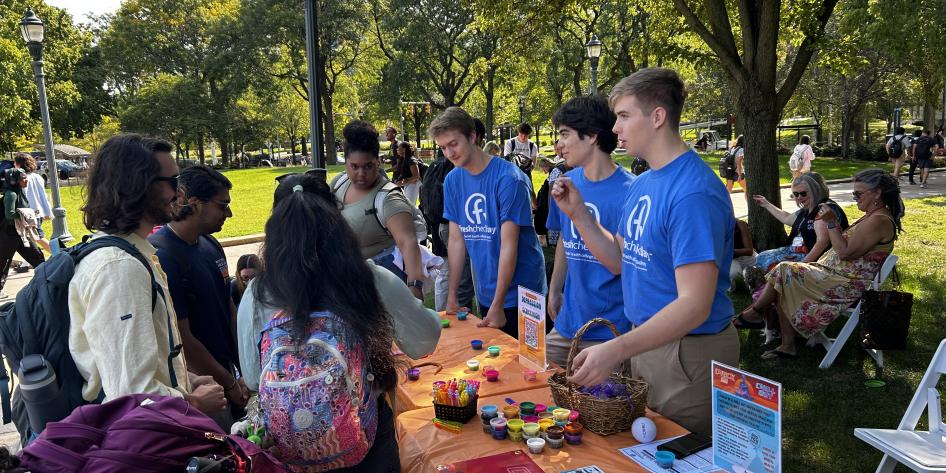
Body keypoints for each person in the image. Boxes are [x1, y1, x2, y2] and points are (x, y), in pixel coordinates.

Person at [551, 68, 738, 437]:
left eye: (623, 116)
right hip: (647, 342)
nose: (615, 128)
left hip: (687, 352)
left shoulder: (693, 192)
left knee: (677, 453)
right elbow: (619, 260)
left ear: (657, 116)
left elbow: (694, 304)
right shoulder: (646, 183)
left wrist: (616, 349)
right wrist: (579, 215)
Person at [237, 174, 439, 471]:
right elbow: (425, 340)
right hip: (365, 436)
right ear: (337, 220)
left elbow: (254, 378)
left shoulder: (258, 292)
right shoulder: (367, 278)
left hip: (290, 444)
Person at [69, 134, 227, 414]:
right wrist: (194, 403)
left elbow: (140, 365)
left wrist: (185, 380)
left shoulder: (136, 254)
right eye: (172, 182)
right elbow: (130, 391)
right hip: (145, 440)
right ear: (138, 185)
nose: (179, 193)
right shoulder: (119, 269)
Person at [735, 169, 902, 360]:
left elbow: (845, 252)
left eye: (858, 193)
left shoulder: (879, 220)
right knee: (783, 274)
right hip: (833, 275)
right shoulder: (873, 216)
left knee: (784, 272)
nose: (854, 198)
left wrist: (832, 223)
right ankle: (781, 339)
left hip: (844, 284)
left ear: (877, 193)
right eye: (853, 193)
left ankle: (759, 315)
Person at [432, 106, 547, 338]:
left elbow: (509, 245)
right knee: (495, 365)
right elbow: (456, 240)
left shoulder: (509, 179)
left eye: (453, 144)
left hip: (525, 293)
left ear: (472, 136)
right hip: (487, 291)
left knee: (531, 366)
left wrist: (499, 303)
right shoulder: (453, 179)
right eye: (443, 147)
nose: (449, 153)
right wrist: (452, 295)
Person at [149, 166, 246, 427]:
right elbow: (183, 339)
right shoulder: (163, 256)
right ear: (194, 204)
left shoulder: (210, 244)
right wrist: (227, 382)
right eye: (222, 205)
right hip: (200, 388)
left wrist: (243, 368)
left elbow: (229, 308)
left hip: (229, 375)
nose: (229, 213)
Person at [544, 96, 633, 368]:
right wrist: (555, 289)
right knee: (534, 388)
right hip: (566, 324)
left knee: (599, 408)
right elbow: (566, 241)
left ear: (592, 136)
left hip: (610, 331)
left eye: (565, 134)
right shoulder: (566, 183)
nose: (559, 145)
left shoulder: (631, 191)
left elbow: (620, 263)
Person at [331, 120, 426, 299]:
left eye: (368, 166)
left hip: (382, 288)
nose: (361, 173)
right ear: (346, 163)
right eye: (354, 166)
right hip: (345, 281)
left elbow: (408, 242)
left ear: (378, 162)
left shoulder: (389, 197)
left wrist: (414, 288)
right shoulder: (338, 183)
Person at [749, 172, 849, 275]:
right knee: (762, 256)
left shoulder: (824, 209)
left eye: (803, 193)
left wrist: (801, 266)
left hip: (810, 257)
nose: (799, 197)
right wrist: (766, 204)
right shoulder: (808, 208)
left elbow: (822, 243)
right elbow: (787, 218)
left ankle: (760, 283)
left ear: (815, 191)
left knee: (771, 263)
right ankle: (758, 281)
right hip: (795, 251)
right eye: (796, 194)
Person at [0, 168, 45, 300]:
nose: (26, 180)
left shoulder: (19, 192)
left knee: (38, 258)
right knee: (3, 263)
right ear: (14, 181)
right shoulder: (11, 195)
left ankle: (46, 285)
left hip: (21, 233)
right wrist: (26, 213)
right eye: (23, 178)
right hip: (8, 235)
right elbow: (9, 215)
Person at [14, 153, 52, 254]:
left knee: (37, 237)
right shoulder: (37, 177)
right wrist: (47, 211)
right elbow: (42, 195)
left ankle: (60, 253)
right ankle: (27, 261)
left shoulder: (24, 178)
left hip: (30, 213)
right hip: (38, 211)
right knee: (29, 237)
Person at [730, 219, 755, 290]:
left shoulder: (740, 224)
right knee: (735, 276)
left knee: (761, 271)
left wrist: (729, 251)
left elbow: (749, 251)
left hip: (746, 256)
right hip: (730, 260)